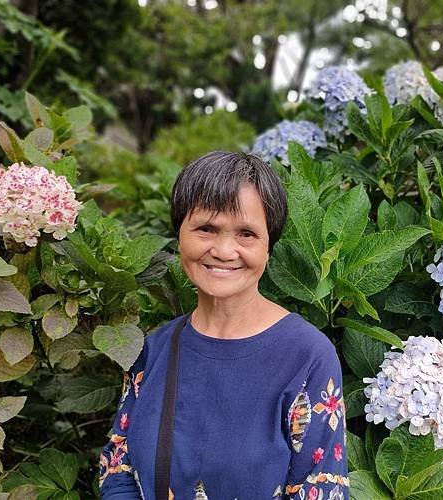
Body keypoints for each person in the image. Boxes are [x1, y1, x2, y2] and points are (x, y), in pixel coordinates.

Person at [99, 152, 349, 499]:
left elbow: (320, 490)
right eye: (206, 229)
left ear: (268, 247)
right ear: (180, 235)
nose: (224, 250)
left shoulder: (307, 357)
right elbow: (118, 469)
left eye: (246, 234)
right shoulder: (153, 349)